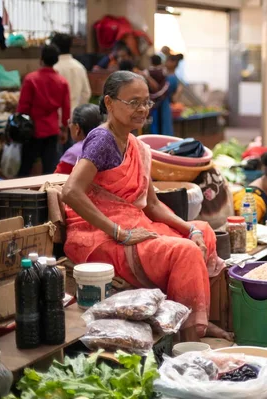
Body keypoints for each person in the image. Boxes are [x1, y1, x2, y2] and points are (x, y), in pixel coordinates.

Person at [62, 71, 230, 341]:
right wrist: (119, 232)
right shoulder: (102, 140)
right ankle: (187, 335)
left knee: (203, 232)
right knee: (185, 252)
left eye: (146, 102)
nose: (142, 109)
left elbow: (151, 204)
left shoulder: (135, 144)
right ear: (109, 103)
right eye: (133, 102)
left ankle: (190, 316)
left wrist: (190, 228)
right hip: (99, 235)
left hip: (134, 223)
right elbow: (70, 192)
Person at [17, 45, 70, 176]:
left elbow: (23, 107)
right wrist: (64, 129)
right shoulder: (62, 82)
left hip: (32, 130)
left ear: (41, 59)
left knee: (25, 167)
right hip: (52, 130)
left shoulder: (31, 79)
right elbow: (66, 108)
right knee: (49, 170)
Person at [54, 104, 102, 174]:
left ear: (77, 128)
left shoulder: (73, 154)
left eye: (70, 122)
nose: (69, 126)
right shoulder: (109, 145)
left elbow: (57, 178)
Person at [52, 33, 91, 114]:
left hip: (57, 116)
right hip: (77, 117)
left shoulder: (54, 68)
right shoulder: (80, 67)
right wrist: (77, 111)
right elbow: (86, 93)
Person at [151, 53, 183, 135]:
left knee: (164, 126)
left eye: (168, 61)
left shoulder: (172, 78)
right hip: (160, 104)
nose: (166, 62)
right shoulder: (165, 75)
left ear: (174, 63)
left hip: (163, 104)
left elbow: (164, 92)